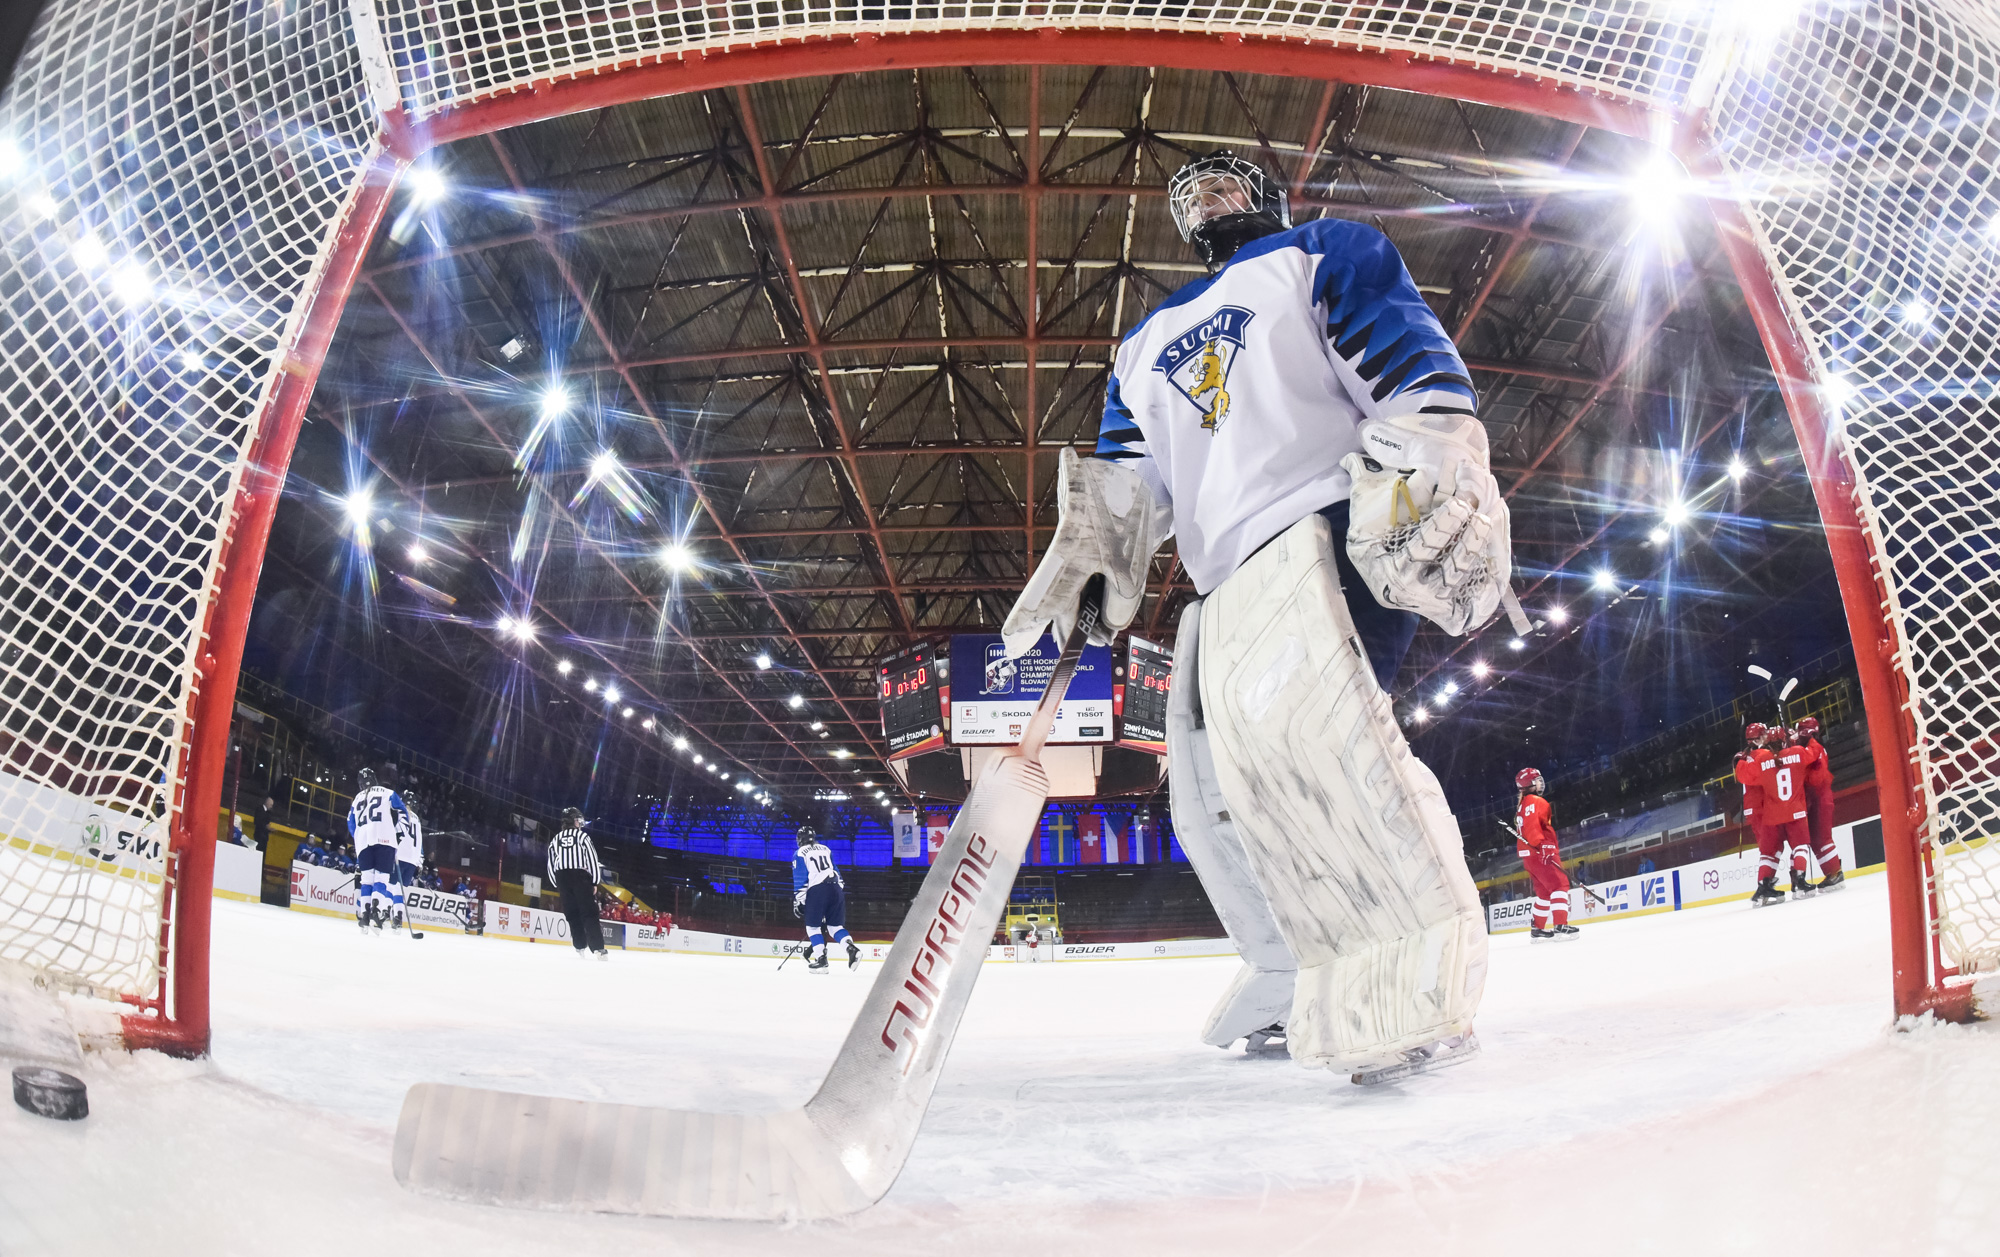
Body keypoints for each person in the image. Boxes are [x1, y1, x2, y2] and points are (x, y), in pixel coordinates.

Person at [998, 150, 1510, 1079]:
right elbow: (1129, 476)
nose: (1209, 198)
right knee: (1206, 798)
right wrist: (1095, 544)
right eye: (1193, 191)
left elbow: (1407, 365)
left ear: (1268, 195)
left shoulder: (1323, 251)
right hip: (1221, 582)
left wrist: (1440, 450)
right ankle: (1289, 963)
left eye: (1228, 183)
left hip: (1327, 529)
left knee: (1330, 754)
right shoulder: (1142, 340)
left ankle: (1408, 972)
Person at [1515, 768, 1578, 940]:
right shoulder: (1536, 801)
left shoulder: (1524, 804)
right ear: (1529, 784)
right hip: (1540, 852)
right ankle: (1560, 926)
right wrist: (1545, 846)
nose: (1541, 782)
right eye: (1537, 780)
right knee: (1559, 886)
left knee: (1544, 893)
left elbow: (1528, 828)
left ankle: (1538, 929)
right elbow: (1534, 828)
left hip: (1530, 857)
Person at [347, 766, 411, 933]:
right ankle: (377, 909)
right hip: (385, 839)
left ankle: (365, 916)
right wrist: (398, 835)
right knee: (381, 878)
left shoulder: (357, 798)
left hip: (363, 842)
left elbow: (350, 822)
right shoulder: (387, 792)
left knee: (366, 879)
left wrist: (359, 837)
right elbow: (404, 814)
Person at [792, 826, 858, 973]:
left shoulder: (799, 853)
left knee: (813, 927)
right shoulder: (825, 849)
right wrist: (838, 888)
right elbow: (836, 871)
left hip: (817, 890)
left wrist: (800, 901)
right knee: (835, 927)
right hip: (835, 888)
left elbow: (800, 879)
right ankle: (851, 949)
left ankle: (821, 960)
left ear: (800, 839)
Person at [1735, 724, 1788, 907]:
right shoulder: (1763, 756)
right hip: (1762, 808)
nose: (1767, 737)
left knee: (1774, 846)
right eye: (1764, 734)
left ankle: (1766, 883)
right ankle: (1763, 885)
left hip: (1754, 809)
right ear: (1757, 738)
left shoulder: (1746, 757)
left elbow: (1743, 776)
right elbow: (1762, 777)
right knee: (1770, 848)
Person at [1793, 717, 1845, 893]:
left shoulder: (1814, 748)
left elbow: (1815, 779)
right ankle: (1831, 873)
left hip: (1820, 799)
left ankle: (1835, 873)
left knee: (1822, 838)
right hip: (1816, 800)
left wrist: (1791, 750)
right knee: (1816, 840)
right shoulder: (1812, 747)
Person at [548, 807, 607, 959]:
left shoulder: (556, 839)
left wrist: (556, 883)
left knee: (572, 913)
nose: (580, 823)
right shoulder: (582, 837)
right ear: (572, 820)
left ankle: (579, 946)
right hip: (580, 876)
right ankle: (598, 949)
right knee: (589, 912)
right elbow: (592, 859)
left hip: (562, 877)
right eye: (578, 820)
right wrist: (594, 881)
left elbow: (551, 862)